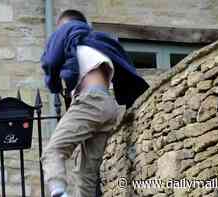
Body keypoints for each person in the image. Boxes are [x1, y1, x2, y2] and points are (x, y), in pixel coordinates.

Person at [40, 9, 149, 197]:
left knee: (54, 151)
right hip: (108, 106)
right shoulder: (100, 45)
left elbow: (50, 62)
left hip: (90, 101)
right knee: (86, 173)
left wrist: (54, 83)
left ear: (65, 25)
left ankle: (59, 193)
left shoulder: (70, 32)